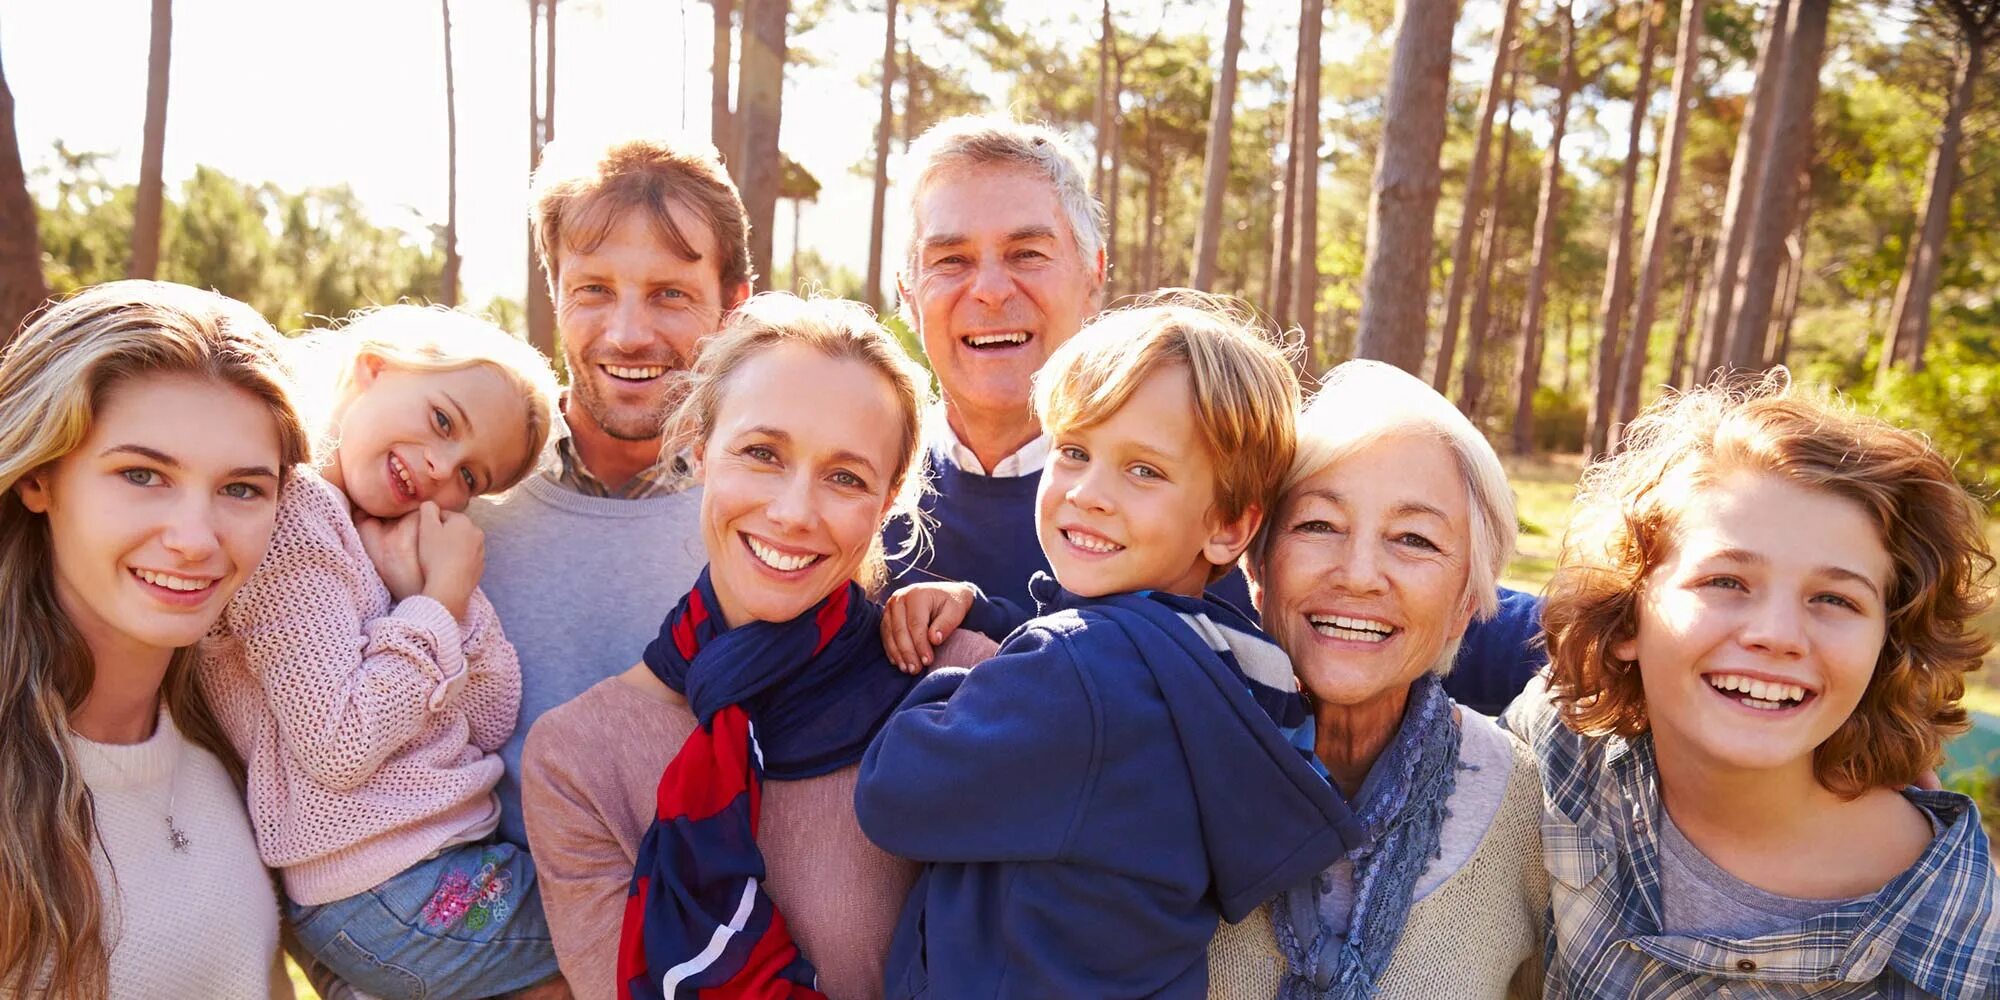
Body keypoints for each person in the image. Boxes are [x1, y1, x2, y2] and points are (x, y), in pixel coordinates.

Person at [878, 117, 1540, 712]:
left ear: (1092, 273)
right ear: (909, 294)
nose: (991, 290)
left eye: (1028, 253)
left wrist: (1610, 621)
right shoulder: (855, 500)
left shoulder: (1212, 479)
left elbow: (1453, 606)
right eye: (951, 260)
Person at [857, 294, 1358, 999]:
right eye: (1073, 452)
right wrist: (998, 615)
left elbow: (895, 793)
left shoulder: (1073, 673)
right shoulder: (1248, 666)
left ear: (1227, 526)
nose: (1089, 493)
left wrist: (963, 673)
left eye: (1143, 470)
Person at [520, 294, 997, 1000]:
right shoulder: (579, 759)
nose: (794, 512)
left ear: (889, 497)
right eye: (762, 453)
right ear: (699, 449)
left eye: (845, 477)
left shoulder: (966, 688)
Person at [1505, 376, 1999, 997]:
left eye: (1835, 598)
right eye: (1727, 583)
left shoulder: (1958, 947)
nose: (1777, 635)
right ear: (1629, 616)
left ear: (1887, 646)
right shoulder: (1565, 744)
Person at [197, 306, 565, 999]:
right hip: (387, 888)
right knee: (630, 921)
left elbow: (489, 717)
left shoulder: (393, 541)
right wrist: (440, 599)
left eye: (471, 478)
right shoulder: (295, 520)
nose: (440, 468)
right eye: (443, 421)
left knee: (619, 911)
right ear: (375, 367)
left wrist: (435, 596)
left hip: (436, 872)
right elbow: (339, 744)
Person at [0, 280, 311, 999]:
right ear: (40, 477)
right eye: (142, 475)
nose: (196, 540)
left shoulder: (245, 744)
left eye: (242, 489)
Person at [1206, 361, 1546, 1000]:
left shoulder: (1525, 807)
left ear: (1467, 598)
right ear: (1257, 563)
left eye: (1413, 539)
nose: (1359, 574)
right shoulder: (1168, 762)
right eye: (1318, 525)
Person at [473, 135, 753, 849]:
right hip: (485, 942)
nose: (628, 335)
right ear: (556, 293)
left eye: (670, 295)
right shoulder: (461, 491)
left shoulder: (772, 516)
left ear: (731, 309)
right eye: (594, 290)